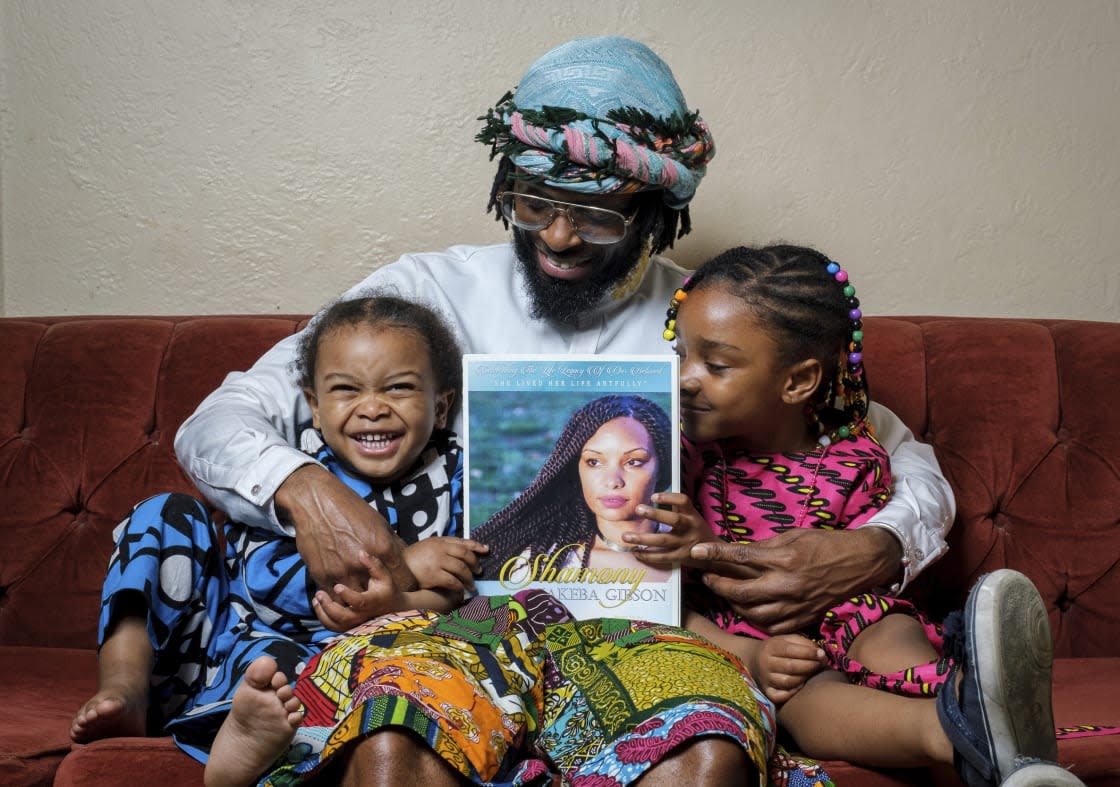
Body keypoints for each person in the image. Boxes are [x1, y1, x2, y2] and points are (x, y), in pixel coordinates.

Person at [171, 35, 954, 784]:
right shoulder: (426, 293)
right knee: (393, 733)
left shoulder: (706, 322)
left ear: (655, 210)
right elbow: (218, 421)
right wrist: (310, 491)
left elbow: (885, 443)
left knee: (707, 750)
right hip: (452, 630)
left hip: (647, 637)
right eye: (533, 202)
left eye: (599, 214)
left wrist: (881, 545)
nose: (558, 235)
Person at [626, 244, 1081, 787]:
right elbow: (660, 590)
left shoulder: (855, 459)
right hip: (736, 632)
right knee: (800, 696)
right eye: (680, 356)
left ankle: (971, 691)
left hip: (843, 611)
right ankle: (955, 736)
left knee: (889, 629)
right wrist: (697, 551)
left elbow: (855, 569)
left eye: (715, 365)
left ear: (797, 382)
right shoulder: (676, 453)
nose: (685, 377)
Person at [70, 296, 486, 776]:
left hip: (345, 666)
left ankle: (252, 746)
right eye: (346, 390)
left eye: (398, 389)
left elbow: (460, 600)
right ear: (314, 404)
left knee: (405, 667)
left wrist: (399, 604)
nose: (372, 408)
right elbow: (265, 581)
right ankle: (126, 687)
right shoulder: (296, 468)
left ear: (440, 407)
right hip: (231, 648)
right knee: (166, 513)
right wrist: (407, 566)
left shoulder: (459, 479)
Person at [478, 394, 674, 583]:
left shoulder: (689, 550)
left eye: (633, 462)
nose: (612, 481)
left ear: (662, 468)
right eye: (594, 462)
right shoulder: (540, 565)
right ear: (577, 470)